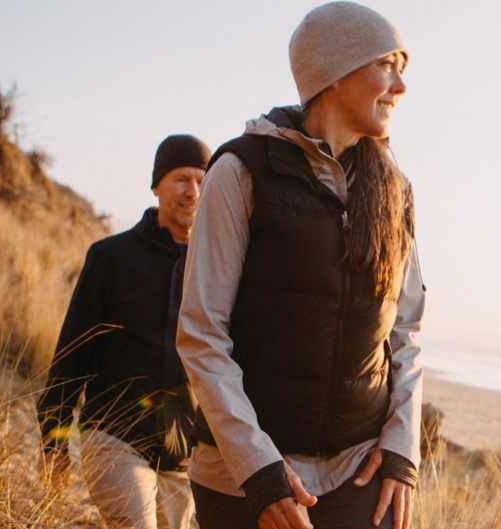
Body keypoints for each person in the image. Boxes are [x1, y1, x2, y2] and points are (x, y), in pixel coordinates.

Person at [175, 2, 425, 528]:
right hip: (244, 471)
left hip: (357, 469)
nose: (400, 86)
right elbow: (201, 332)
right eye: (387, 63)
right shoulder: (241, 171)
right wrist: (258, 468)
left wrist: (402, 448)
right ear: (333, 70)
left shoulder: (394, 191)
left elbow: (406, 329)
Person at [40, 134, 211, 529]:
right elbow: (72, 353)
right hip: (114, 437)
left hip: (184, 456)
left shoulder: (217, 268)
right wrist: (54, 439)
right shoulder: (111, 257)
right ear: (156, 185)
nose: (193, 192)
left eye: (203, 181)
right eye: (182, 179)